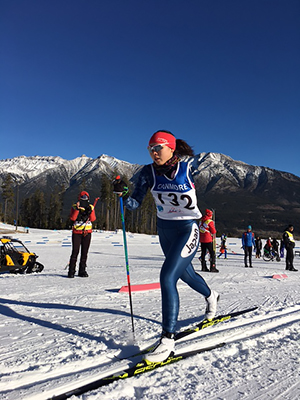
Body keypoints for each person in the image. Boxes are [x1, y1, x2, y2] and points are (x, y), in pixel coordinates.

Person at [113, 130, 219, 363]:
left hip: (187, 229)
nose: (153, 152)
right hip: (165, 231)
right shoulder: (147, 172)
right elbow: (133, 204)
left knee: (167, 277)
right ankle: (212, 296)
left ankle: (168, 341)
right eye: (150, 148)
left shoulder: (189, 167)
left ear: (171, 148)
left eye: (158, 147)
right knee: (186, 275)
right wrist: (124, 194)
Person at [68, 191, 96, 278]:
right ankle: (71, 271)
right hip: (77, 233)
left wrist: (90, 210)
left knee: (84, 253)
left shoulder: (90, 207)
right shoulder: (74, 207)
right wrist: (77, 209)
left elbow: (93, 219)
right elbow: (72, 218)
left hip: (87, 233)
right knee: (75, 252)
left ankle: (82, 270)